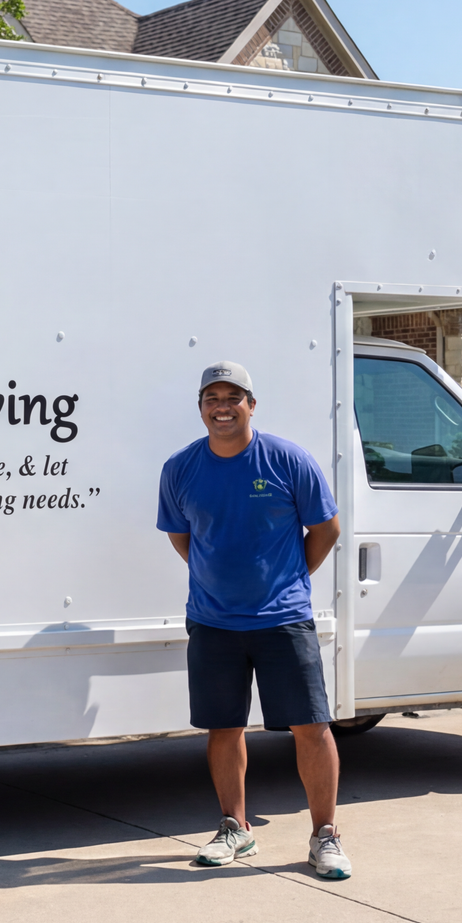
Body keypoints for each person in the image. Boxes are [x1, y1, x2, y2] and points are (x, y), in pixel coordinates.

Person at [157, 360, 350, 879]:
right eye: (211, 399)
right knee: (225, 727)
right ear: (201, 408)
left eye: (232, 397)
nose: (222, 407)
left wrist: (288, 578)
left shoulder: (287, 460)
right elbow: (182, 537)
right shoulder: (180, 469)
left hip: (283, 619)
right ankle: (235, 829)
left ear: (251, 403)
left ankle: (325, 835)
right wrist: (215, 578)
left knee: (312, 727)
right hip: (213, 621)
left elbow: (326, 528)